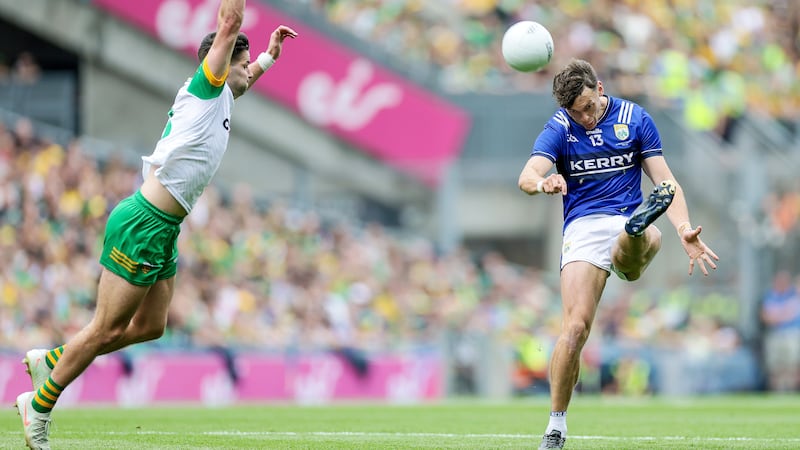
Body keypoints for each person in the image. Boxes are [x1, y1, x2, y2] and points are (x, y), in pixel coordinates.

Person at [15, 1, 297, 448]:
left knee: (151, 327)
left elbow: (243, 82)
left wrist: (267, 57)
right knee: (106, 328)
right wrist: (238, 37)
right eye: (241, 64)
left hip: (164, 229)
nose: (246, 74)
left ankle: (52, 359)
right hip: (144, 222)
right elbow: (229, 23)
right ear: (221, 63)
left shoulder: (221, 95)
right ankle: (40, 404)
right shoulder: (209, 84)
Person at [517, 59, 719, 449]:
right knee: (574, 329)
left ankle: (637, 229)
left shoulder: (635, 118)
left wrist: (683, 228)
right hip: (583, 227)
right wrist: (544, 183)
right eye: (577, 112)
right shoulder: (560, 127)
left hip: (625, 216)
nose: (586, 118)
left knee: (634, 244)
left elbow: (665, 181)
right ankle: (555, 427)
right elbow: (526, 176)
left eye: (589, 107)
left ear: (601, 88)